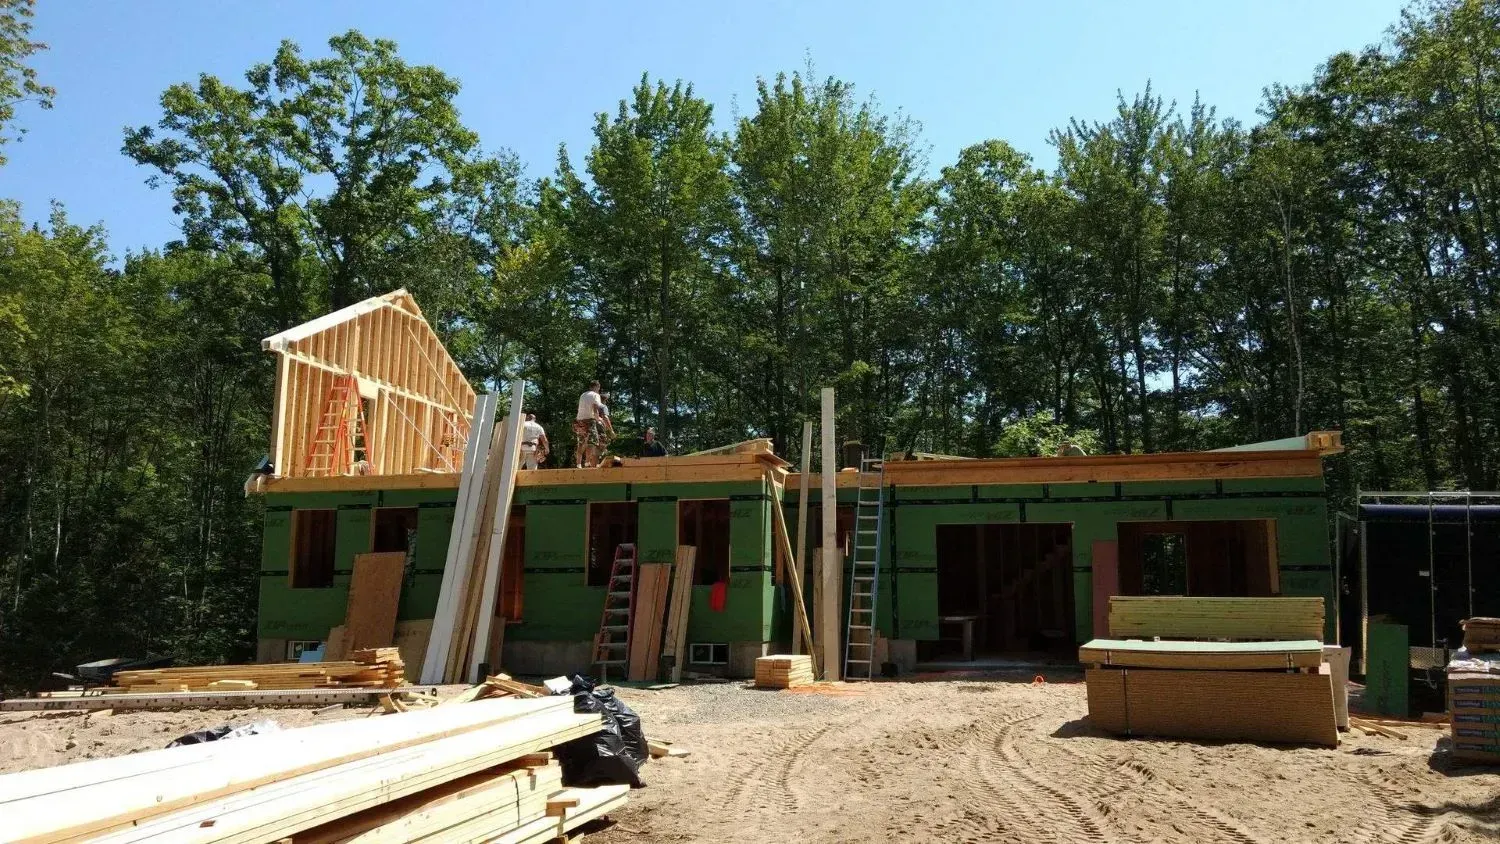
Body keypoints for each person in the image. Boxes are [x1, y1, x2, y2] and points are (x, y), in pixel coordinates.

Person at [574, 381, 609, 468]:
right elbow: (595, 408)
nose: (599, 390)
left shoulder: (583, 395)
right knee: (592, 442)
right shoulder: (595, 395)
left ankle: (579, 464)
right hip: (589, 421)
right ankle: (586, 462)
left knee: (582, 442)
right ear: (597, 386)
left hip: (579, 421)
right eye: (599, 388)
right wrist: (598, 419)